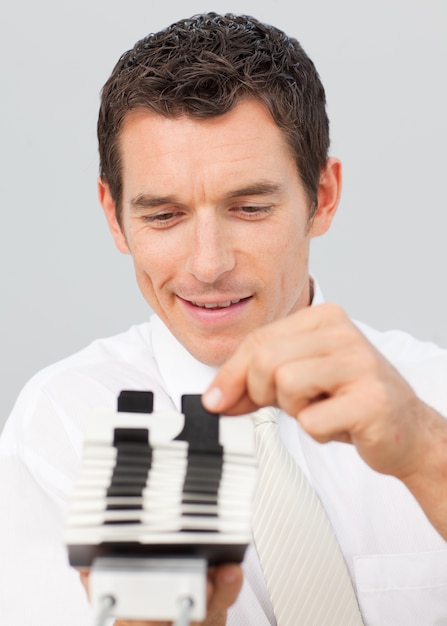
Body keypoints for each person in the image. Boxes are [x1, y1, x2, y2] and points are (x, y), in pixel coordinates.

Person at [0, 11, 446, 626]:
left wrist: (426, 454)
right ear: (113, 215)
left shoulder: (434, 394)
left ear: (325, 196)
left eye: (251, 207)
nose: (207, 266)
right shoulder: (61, 427)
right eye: (163, 216)